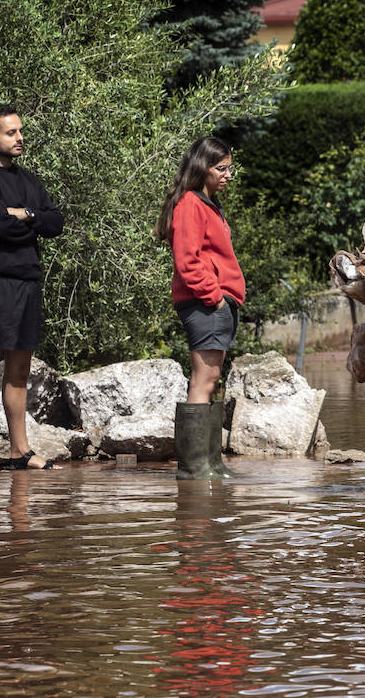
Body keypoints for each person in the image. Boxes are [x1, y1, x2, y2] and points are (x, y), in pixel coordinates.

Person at [0, 105, 64, 474]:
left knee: (20, 368)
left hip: (28, 280)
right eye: (11, 133)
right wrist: (22, 219)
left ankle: (21, 450)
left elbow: (55, 221)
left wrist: (26, 214)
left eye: (21, 131)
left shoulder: (29, 179)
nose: (20, 138)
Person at [154, 136, 246, 480]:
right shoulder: (191, 204)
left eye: (229, 168)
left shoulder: (205, 203)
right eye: (221, 169)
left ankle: (210, 464)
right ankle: (194, 469)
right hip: (205, 303)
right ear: (202, 168)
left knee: (210, 377)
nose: (227, 175)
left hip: (213, 302)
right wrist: (215, 297)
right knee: (203, 378)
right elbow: (187, 261)